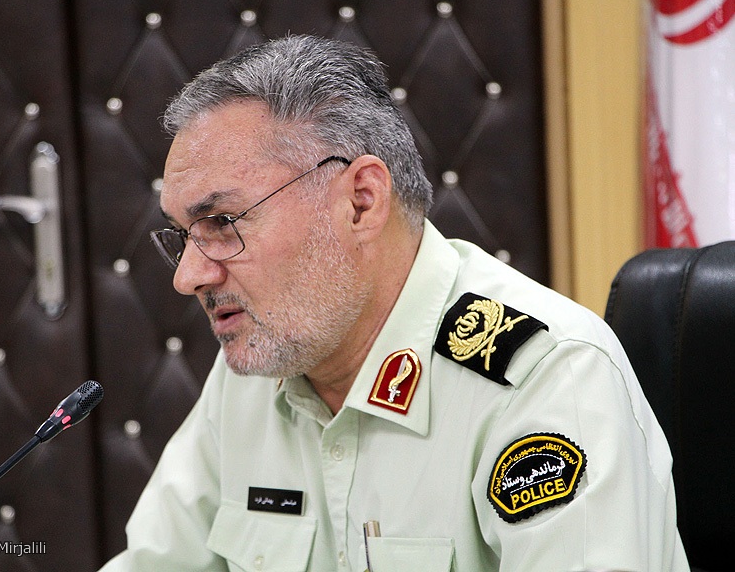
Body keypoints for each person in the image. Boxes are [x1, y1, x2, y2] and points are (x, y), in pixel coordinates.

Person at [99, 35, 688, 571]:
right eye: (182, 235)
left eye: (224, 222)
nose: (188, 277)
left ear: (360, 202)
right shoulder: (254, 371)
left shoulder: (547, 378)